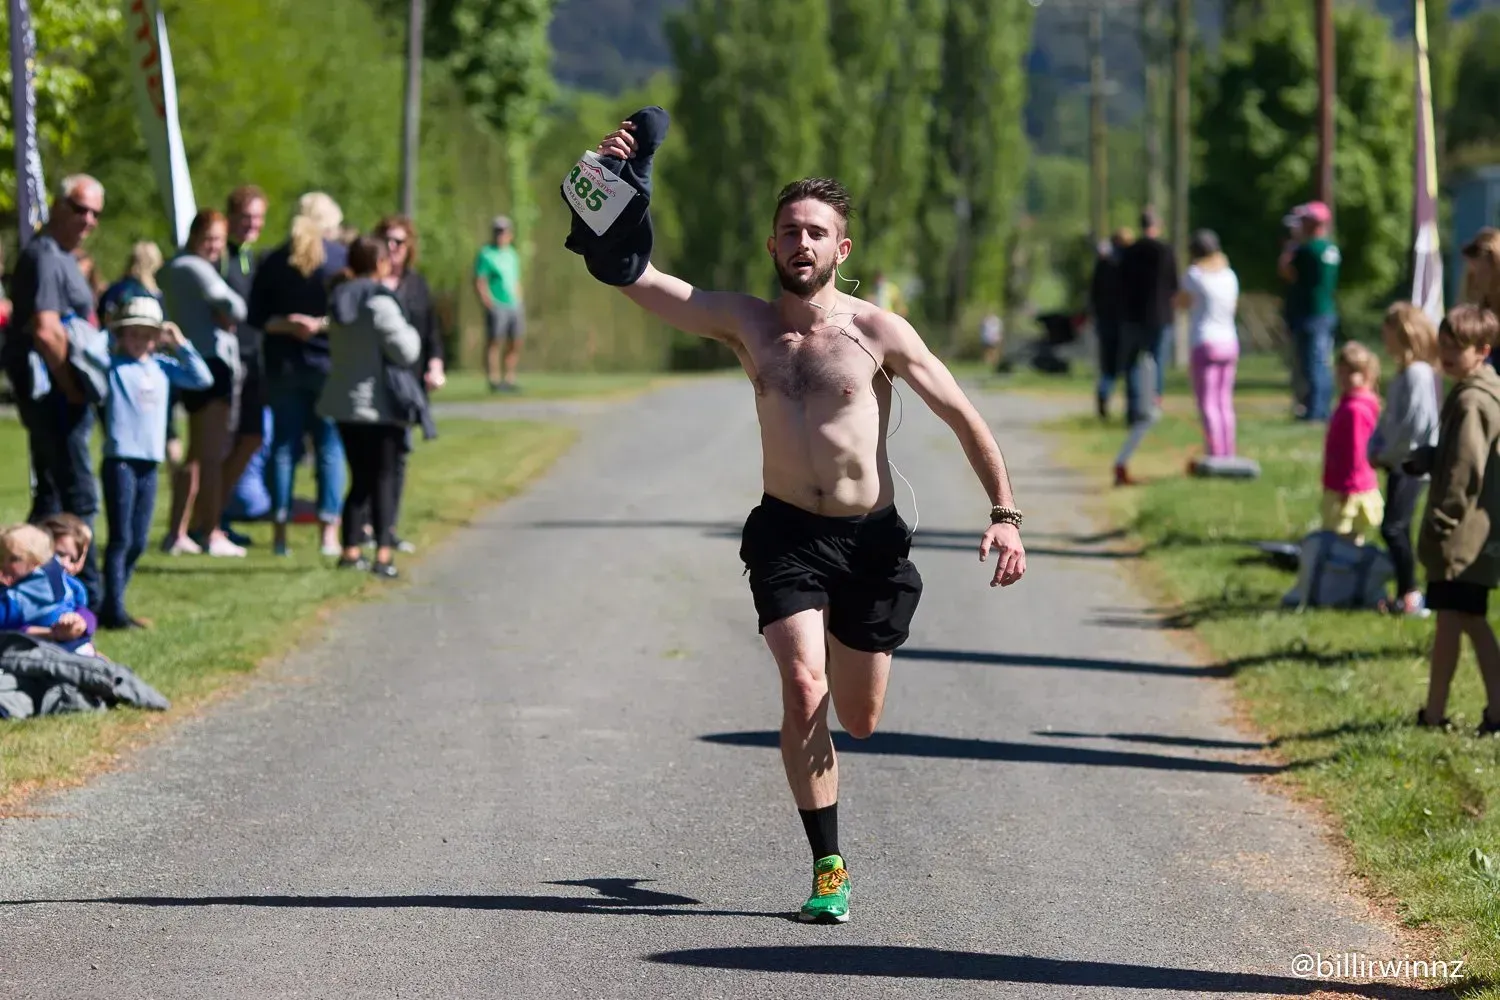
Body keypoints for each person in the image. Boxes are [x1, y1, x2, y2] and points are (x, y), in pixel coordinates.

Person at [588, 118, 1026, 924]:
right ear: (771, 244)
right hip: (787, 533)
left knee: (858, 719)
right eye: (790, 230)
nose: (802, 242)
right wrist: (614, 197)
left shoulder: (877, 333)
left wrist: (1003, 512)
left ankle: (840, 729)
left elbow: (964, 416)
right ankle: (828, 863)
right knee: (802, 685)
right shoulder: (747, 324)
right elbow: (637, 280)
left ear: (842, 250)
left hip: (871, 542)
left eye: (817, 232)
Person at [0, 174, 107, 609]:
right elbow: (46, 331)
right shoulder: (45, 255)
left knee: (51, 498)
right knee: (76, 497)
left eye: (95, 213)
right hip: (54, 398)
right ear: (56, 205)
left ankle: (30, 594)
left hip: (60, 396)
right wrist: (72, 387)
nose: (87, 220)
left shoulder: (62, 255)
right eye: (79, 208)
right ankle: (96, 602)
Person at [98, 297, 212, 628]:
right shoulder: (114, 366)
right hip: (120, 460)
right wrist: (108, 333)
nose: (138, 342)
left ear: (157, 337)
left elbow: (201, 378)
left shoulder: (162, 367)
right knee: (120, 538)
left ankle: (112, 601)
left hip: (149, 462)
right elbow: (91, 353)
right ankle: (114, 609)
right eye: (131, 334)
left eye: (146, 335)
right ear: (121, 336)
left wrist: (181, 344)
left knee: (138, 539)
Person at [248, 192, 349, 557]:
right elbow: (348, 314)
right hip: (327, 366)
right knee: (329, 447)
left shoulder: (274, 260)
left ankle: (279, 534)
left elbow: (256, 318)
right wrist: (319, 324)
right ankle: (329, 534)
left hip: (283, 367)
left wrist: (289, 325)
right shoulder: (339, 260)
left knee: (284, 449)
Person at [1415, 305, 1500, 734]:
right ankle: (1434, 712)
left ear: (1483, 350)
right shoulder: (1475, 391)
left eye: (1458, 347)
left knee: (1467, 618)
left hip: (1464, 532)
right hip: (1472, 532)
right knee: (1452, 617)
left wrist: (1442, 519)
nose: (1446, 354)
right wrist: (1428, 458)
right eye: (1443, 345)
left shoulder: (1471, 400)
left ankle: (1494, 710)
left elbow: (1466, 469)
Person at [318, 236, 421, 579]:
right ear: (379, 264)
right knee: (384, 479)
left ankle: (349, 550)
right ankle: (383, 555)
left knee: (359, 478)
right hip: (379, 405)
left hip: (345, 402)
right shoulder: (378, 302)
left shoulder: (339, 298)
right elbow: (406, 350)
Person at [159, 209, 249, 557]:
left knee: (197, 454)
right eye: (209, 238)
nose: (214, 247)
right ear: (195, 236)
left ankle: (177, 531)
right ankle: (211, 531)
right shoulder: (195, 268)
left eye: (219, 240)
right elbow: (236, 307)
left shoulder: (173, 267)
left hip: (196, 361)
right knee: (211, 455)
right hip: (212, 363)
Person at [375, 213, 443, 553]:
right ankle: (363, 530)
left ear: (409, 247)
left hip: (407, 384)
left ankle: (387, 528)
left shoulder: (416, 285)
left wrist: (435, 364)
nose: (392, 247)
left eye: (399, 241)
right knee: (371, 459)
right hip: (372, 381)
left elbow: (431, 331)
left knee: (399, 454)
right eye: (387, 240)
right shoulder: (368, 283)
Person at [1369, 303, 1441, 618]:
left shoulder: (1418, 374)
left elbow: (1415, 424)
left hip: (1412, 464)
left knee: (1394, 528)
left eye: (1388, 336)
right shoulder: (1402, 374)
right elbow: (1390, 420)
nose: (1385, 344)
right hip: (1397, 462)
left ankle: (1410, 594)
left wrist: (1388, 453)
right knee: (1396, 526)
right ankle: (1404, 594)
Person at [219, 184, 269, 546]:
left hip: (255, 358)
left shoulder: (255, 258)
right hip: (229, 359)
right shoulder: (221, 255)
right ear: (233, 217)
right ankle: (209, 520)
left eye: (258, 218)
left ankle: (217, 511)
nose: (252, 224)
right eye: (246, 217)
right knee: (220, 443)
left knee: (252, 437)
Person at [1113, 209, 1177, 485]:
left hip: (1132, 316)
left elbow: (1120, 284)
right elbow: (1174, 285)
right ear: (1158, 225)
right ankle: (1154, 404)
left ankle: (1133, 410)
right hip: (1159, 315)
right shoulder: (1165, 251)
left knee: (1132, 365)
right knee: (1156, 361)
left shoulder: (1130, 252)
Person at [1178, 229, 1240, 459]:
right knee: (1225, 402)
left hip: (1205, 341)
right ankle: (1228, 451)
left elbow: (1182, 303)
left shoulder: (1194, 275)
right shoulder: (1230, 275)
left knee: (1208, 404)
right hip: (1229, 341)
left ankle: (1214, 453)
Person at [1279, 201, 1341, 421]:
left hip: (1309, 314)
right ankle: (1320, 408)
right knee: (1322, 362)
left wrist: (1292, 244)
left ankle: (1314, 411)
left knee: (1311, 365)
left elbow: (1286, 271)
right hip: (1325, 311)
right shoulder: (1330, 248)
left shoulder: (1306, 250)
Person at [1321, 342, 1383, 545]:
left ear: (1367, 374)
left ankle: (1347, 571)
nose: (1346, 378)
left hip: (1349, 485)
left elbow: (1358, 450)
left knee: (1345, 532)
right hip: (1341, 479)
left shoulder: (1356, 409)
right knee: (1342, 532)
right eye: (1342, 372)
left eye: (1353, 373)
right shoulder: (1347, 403)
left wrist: (1350, 486)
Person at [0, 524, 95, 653]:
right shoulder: (62, 578)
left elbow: (4, 619)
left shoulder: (22, 595)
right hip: (78, 646)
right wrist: (83, 622)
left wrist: (80, 622)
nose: (5, 564)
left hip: (54, 655)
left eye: (14, 559)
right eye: (2, 557)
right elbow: (82, 602)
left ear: (35, 560)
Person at [475, 215, 526, 392]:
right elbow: (480, 280)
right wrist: (488, 301)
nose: (500, 235)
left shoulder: (512, 254)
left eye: (503, 231)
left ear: (510, 234)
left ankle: (510, 379)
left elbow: (516, 279)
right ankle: (494, 380)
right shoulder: (486, 253)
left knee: (515, 341)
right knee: (495, 341)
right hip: (497, 303)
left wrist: (519, 298)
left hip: (514, 304)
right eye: (497, 231)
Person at [1088, 228, 1132, 419]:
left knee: (1108, 366)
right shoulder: (1129, 265)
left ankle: (1104, 396)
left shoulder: (1103, 263)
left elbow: (1094, 292)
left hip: (1105, 320)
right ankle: (1133, 407)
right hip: (1125, 322)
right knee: (1130, 365)